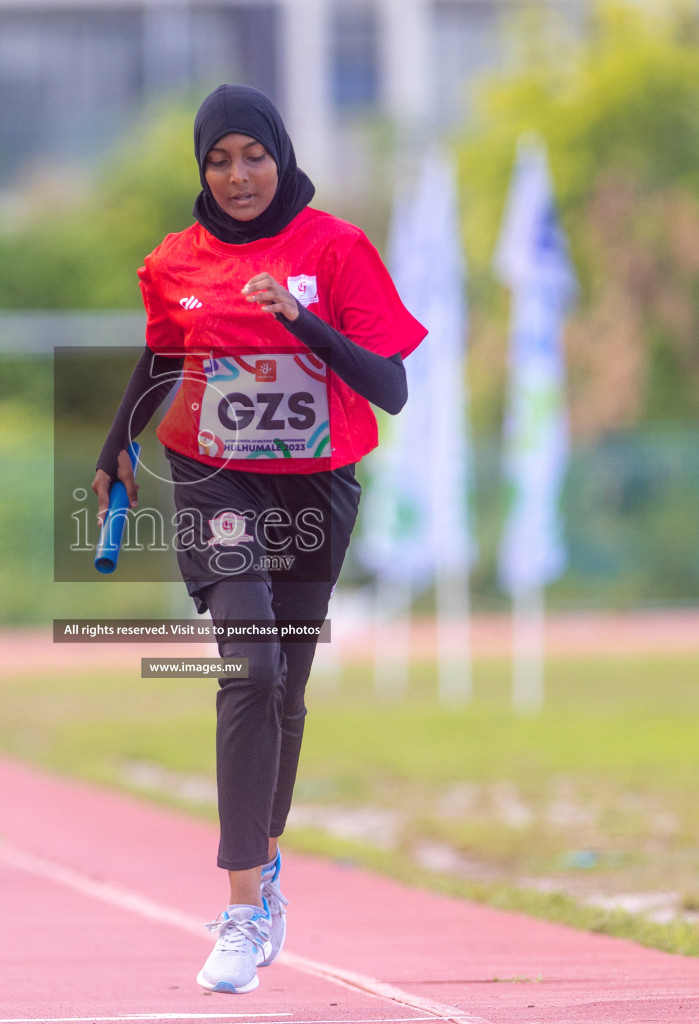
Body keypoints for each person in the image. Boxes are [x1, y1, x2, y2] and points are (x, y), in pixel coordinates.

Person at [92, 84, 425, 994]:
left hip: (317, 485)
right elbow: (164, 356)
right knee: (252, 667)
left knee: (287, 687)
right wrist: (116, 446)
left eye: (254, 156)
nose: (238, 176)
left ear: (282, 155)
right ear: (200, 169)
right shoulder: (174, 264)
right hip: (212, 475)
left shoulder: (338, 249)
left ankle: (264, 860)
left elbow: (390, 389)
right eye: (218, 159)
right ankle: (242, 910)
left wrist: (301, 322)